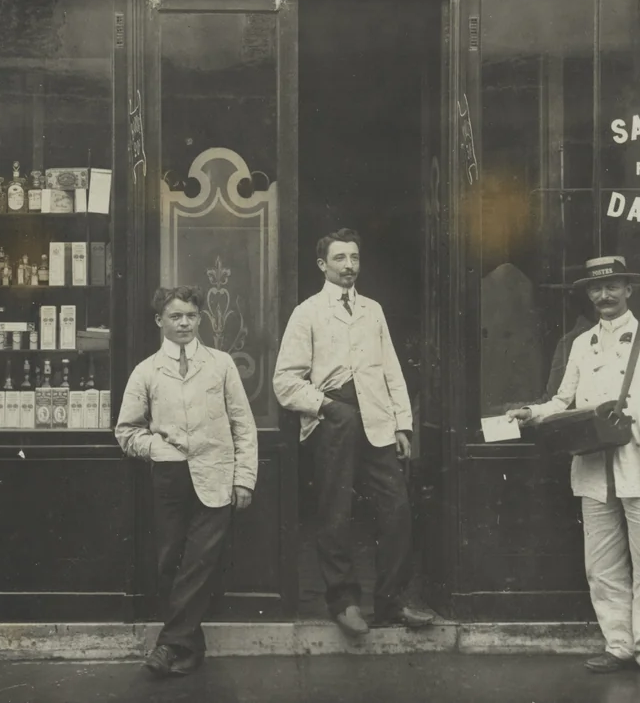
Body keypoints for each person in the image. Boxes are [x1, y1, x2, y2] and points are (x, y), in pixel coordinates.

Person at [508, 256, 640, 680]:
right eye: (596, 289)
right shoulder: (581, 344)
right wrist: (531, 414)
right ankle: (619, 645)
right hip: (594, 471)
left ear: (629, 289)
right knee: (602, 565)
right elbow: (563, 401)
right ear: (588, 294)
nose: (604, 295)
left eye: (613, 286)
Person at [274, 228, 435, 636]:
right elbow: (284, 381)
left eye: (355, 258)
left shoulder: (373, 310)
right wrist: (328, 408)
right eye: (340, 258)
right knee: (336, 514)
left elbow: (392, 370)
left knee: (396, 510)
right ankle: (343, 602)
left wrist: (402, 423)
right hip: (334, 420)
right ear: (322, 265)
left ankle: (392, 602)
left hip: (377, 421)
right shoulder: (307, 312)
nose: (349, 266)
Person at [115, 286, 258, 677]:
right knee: (169, 564)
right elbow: (126, 431)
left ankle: (166, 646)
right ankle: (189, 648)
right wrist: (158, 450)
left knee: (199, 563)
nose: (184, 323)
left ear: (201, 320)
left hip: (216, 476)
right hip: (169, 477)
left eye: (191, 316)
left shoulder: (221, 364)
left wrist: (243, 479)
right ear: (160, 320)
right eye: (175, 316)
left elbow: (244, 425)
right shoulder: (146, 371)